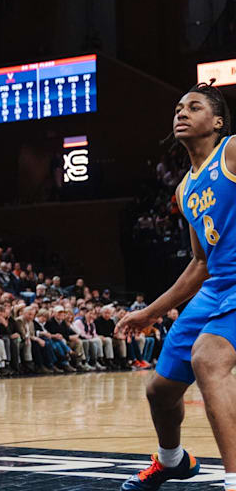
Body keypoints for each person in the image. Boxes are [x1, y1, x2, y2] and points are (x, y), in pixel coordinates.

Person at [115, 84, 236, 491]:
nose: (181, 113)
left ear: (217, 123)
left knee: (208, 358)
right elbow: (200, 263)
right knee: (160, 390)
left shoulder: (232, 151)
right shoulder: (185, 189)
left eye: (194, 106)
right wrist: (150, 311)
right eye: (178, 108)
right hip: (215, 286)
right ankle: (173, 462)